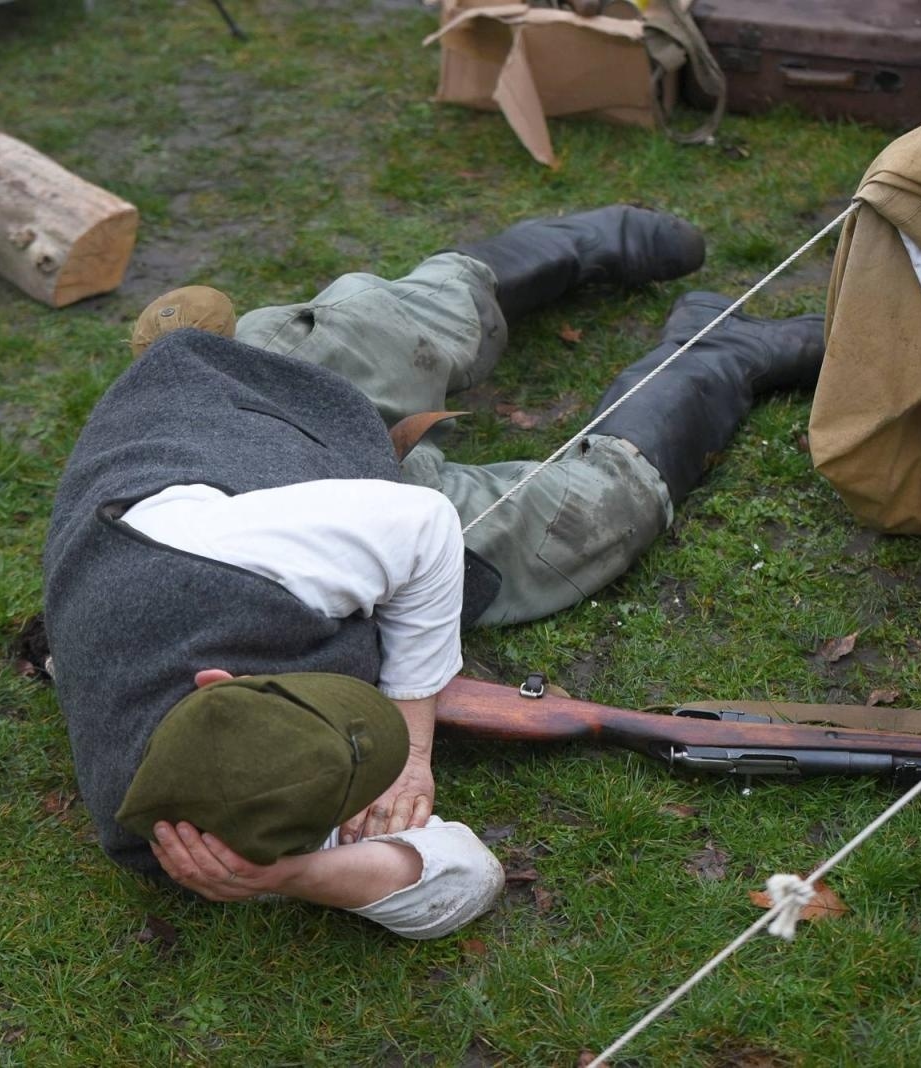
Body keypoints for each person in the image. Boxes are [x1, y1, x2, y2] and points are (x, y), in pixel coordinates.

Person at [42, 206, 825, 939]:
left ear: (216, 683)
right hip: (246, 472)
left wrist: (411, 750)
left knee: (384, 331)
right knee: (590, 514)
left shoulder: (239, 564)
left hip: (238, 396)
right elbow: (466, 877)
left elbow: (422, 529)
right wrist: (292, 873)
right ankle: (722, 352)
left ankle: (572, 246)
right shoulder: (211, 821)